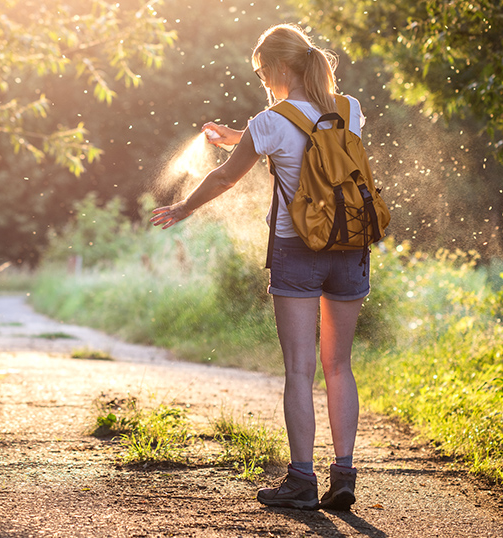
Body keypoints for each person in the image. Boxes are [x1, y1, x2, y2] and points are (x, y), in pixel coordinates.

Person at [150, 23, 368, 511]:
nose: (262, 82)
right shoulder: (350, 109)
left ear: (276, 69)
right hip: (351, 247)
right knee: (339, 366)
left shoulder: (269, 120)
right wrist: (241, 135)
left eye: (261, 73)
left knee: (299, 368)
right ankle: (345, 474)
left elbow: (228, 177)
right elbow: (309, 140)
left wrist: (183, 208)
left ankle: (301, 481)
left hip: (299, 250)